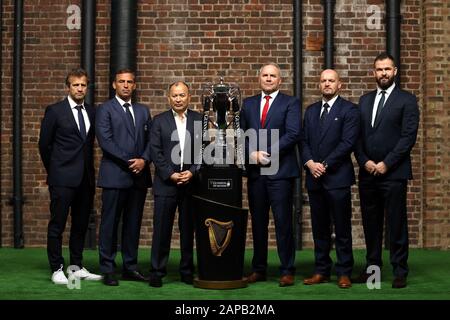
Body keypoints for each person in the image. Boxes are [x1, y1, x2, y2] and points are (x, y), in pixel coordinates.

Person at [354, 53, 420, 289]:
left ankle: (400, 271)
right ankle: (373, 271)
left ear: (395, 72)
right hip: (368, 173)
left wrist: (386, 163)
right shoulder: (364, 101)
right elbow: (356, 137)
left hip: (394, 173)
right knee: (371, 225)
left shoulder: (407, 100)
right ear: (374, 72)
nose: (383, 73)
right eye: (379, 69)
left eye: (387, 69)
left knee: (396, 223)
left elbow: (408, 138)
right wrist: (364, 161)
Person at [240, 62, 301, 287]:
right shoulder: (248, 104)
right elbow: (241, 135)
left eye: (272, 76)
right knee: (258, 223)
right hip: (256, 174)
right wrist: (251, 154)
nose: (268, 79)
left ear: (279, 80)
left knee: (283, 222)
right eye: (265, 75)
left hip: (280, 173)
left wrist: (268, 153)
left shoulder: (291, 102)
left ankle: (287, 269)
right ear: (259, 79)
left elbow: (293, 134)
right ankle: (259, 269)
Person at [38, 68, 102, 285]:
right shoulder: (55, 111)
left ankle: (76, 267)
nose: (80, 88)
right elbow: (44, 145)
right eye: (76, 85)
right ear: (69, 87)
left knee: (80, 225)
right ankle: (56, 268)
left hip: (85, 179)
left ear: (87, 87)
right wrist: (55, 170)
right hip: (62, 178)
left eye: (83, 85)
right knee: (58, 224)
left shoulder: (92, 112)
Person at [301, 69, 360, 289]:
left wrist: (324, 165)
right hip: (314, 178)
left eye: (331, 81)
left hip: (338, 178)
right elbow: (303, 140)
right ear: (320, 85)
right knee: (319, 228)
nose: (327, 84)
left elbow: (347, 143)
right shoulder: (311, 110)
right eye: (323, 81)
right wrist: (309, 163)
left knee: (342, 228)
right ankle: (321, 270)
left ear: (339, 85)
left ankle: (344, 271)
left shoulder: (349, 110)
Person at [96, 69, 152, 286]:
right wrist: (132, 161)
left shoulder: (143, 110)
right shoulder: (105, 109)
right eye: (122, 82)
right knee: (110, 223)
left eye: (130, 82)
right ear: (114, 85)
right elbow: (106, 141)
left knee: (133, 224)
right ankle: (108, 268)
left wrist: (144, 160)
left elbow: (151, 140)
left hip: (139, 177)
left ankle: (130, 266)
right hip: (115, 175)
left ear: (135, 85)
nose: (126, 85)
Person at [148, 81, 202, 288]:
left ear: (189, 97)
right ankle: (157, 271)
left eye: (182, 95)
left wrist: (193, 171)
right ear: (169, 98)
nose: (178, 99)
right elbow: (155, 151)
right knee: (161, 229)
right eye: (175, 96)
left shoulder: (199, 120)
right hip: (166, 184)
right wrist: (169, 174)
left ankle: (187, 271)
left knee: (188, 229)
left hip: (190, 184)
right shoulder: (158, 121)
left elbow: (205, 151)